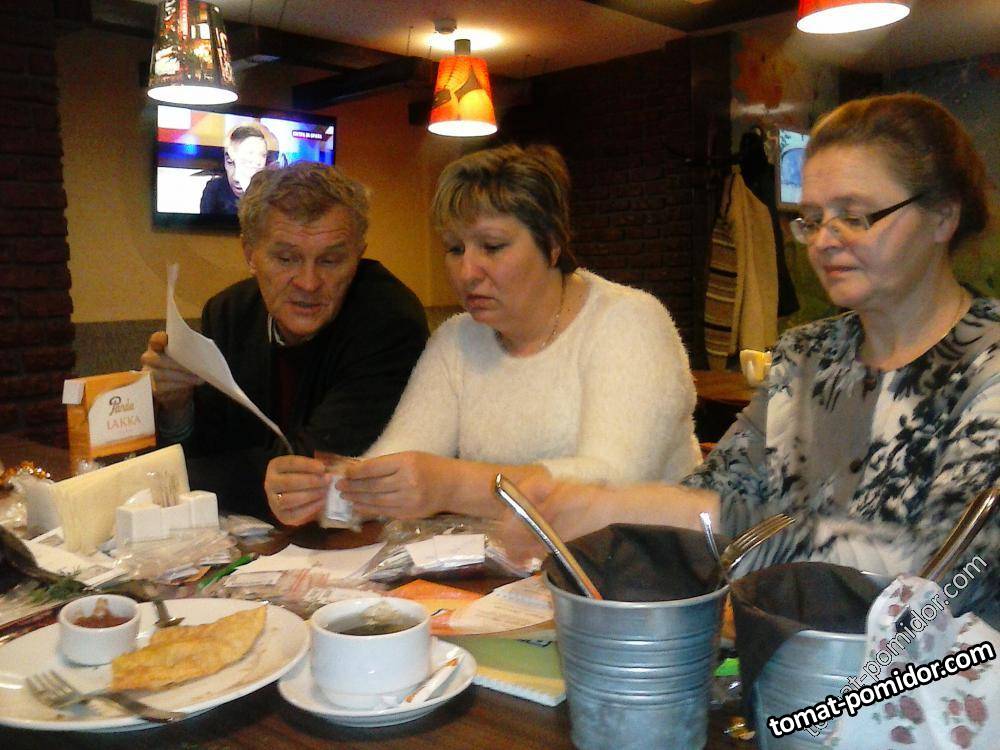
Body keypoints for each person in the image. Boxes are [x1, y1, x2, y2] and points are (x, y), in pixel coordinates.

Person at [508, 94, 999, 621]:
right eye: (812, 219)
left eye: (855, 216)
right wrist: (595, 507)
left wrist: (646, 508)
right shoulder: (806, 356)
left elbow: (950, 572)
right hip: (781, 649)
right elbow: (716, 490)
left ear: (943, 216)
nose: (824, 241)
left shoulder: (987, 363)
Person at [264, 144, 701, 525]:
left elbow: (614, 482)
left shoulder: (629, 321)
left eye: (492, 247)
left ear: (552, 244)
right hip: (517, 575)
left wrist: (453, 486)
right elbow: (395, 466)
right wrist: (322, 495)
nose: (467, 272)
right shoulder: (458, 339)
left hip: (651, 571)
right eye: (455, 249)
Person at [142, 161, 430, 517]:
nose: (308, 283)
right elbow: (208, 452)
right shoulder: (228, 313)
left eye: (330, 261)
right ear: (250, 254)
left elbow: (308, 478)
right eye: (286, 258)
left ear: (358, 256)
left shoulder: (388, 320)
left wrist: (163, 480)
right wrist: (177, 407)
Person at [200, 123, 273, 215]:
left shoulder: (272, 193)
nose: (236, 177)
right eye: (230, 163)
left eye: (247, 162)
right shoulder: (214, 189)